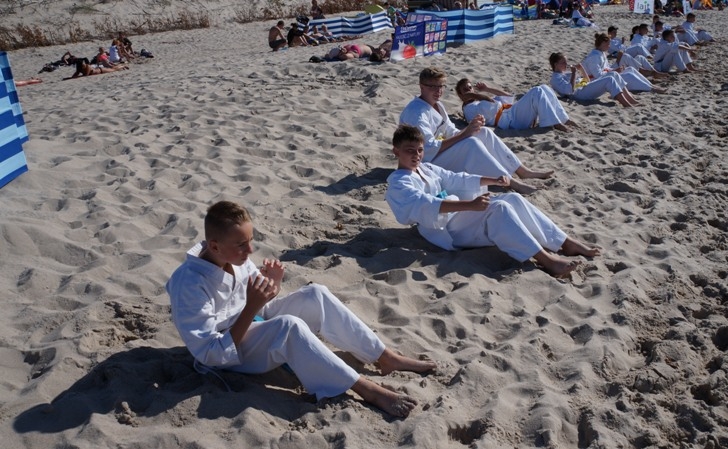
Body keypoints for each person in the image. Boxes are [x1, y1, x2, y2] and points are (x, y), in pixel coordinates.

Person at [166, 201, 436, 418]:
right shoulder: (189, 284)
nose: (250, 250)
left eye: (250, 240)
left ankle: (384, 357)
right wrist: (252, 307)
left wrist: (272, 286)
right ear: (214, 246)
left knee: (315, 294)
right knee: (288, 326)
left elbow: (261, 302)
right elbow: (210, 353)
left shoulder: (232, 256)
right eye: (241, 245)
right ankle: (367, 389)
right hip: (228, 351)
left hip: (252, 321)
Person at [386, 125, 601, 277]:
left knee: (513, 198)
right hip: (441, 229)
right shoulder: (398, 182)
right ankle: (547, 260)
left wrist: (493, 179)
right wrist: (470, 205)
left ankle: (564, 242)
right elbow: (425, 205)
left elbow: (455, 178)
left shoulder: (426, 168)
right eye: (410, 151)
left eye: (420, 150)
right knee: (498, 209)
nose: (416, 155)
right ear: (396, 151)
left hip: (456, 216)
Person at [399, 67, 552, 195]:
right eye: (432, 86)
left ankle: (522, 171)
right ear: (422, 86)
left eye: (441, 86)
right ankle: (511, 183)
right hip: (425, 163)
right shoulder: (417, 113)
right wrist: (466, 134)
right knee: (470, 144)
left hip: (440, 153)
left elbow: (451, 131)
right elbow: (428, 149)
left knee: (484, 132)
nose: (438, 91)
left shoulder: (437, 105)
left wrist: (471, 128)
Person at [455, 78, 574, 132]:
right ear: (460, 95)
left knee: (544, 87)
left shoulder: (478, 100)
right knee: (536, 91)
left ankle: (564, 119)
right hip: (510, 121)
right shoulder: (469, 110)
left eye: (470, 88)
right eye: (465, 90)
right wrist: (475, 95)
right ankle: (556, 123)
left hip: (512, 113)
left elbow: (507, 96)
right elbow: (492, 105)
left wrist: (487, 89)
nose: (469, 91)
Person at [582, 34, 666, 93]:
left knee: (630, 69)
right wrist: (615, 71)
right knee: (628, 76)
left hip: (607, 75)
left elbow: (606, 68)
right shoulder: (594, 57)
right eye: (608, 44)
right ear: (602, 43)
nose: (609, 46)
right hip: (595, 81)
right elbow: (598, 76)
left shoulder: (601, 53)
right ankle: (651, 89)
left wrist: (616, 69)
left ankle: (651, 86)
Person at [549, 52, 638, 107]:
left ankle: (630, 99)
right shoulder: (555, 78)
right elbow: (569, 91)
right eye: (563, 62)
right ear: (555, 64)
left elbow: (586, 81)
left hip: (584, 88)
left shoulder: (565, 73)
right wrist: (574, 74)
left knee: (613, 74)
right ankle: (626, 104)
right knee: (609, 80)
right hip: (579, 95)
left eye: (566, 62)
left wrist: (581, 69)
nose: (566, 64)